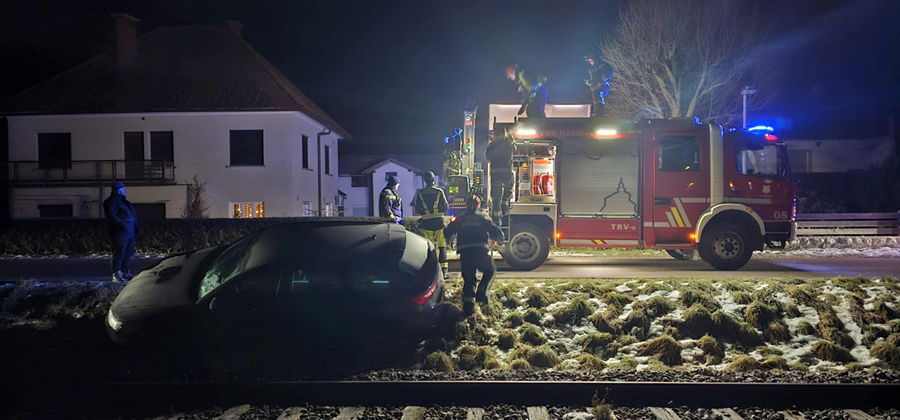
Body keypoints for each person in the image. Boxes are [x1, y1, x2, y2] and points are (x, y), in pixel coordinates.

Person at [443, 195, 504, 316]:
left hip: (465, 254)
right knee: (490, 270)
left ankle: (468, 309)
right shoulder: (483, 218)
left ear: (466, 205)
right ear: (478, 205)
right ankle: (482, 294)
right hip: (480, 252)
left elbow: (447, 231)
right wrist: (500, 241)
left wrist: (449, 240)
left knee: (469, 280)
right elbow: (496, 231)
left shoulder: (460, 219)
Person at [413, 171, 450, 278]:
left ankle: (431, 271)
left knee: (429, 247)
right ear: (434, 179)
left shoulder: (420, 193)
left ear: (425, 180)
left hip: (427, 223)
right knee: (442, 246)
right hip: (439, 221)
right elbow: (445, 207)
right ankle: (444, 271)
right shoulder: (439, 191)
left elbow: (417, 208)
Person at [103, 181, 137, 282]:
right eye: (123, 188)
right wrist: (122, 224)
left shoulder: (125, 202)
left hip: (130, 232)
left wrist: (135, 227)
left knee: (127, 252)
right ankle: (117, 273)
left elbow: (132, 216)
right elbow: (112, 215)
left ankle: (125, 272)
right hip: (120, 232)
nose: (125, 190)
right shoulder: (112, 201)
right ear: (118, 190)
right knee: (120, 252)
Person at [485, 127, 516, 226]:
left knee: (496, 197)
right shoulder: (508, 143)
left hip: (496, 174)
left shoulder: (492, 145)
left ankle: (496, 219)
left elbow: (488, 158)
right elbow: (515, 150)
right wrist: (512, 140)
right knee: (507, 192)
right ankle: (505, 209)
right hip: (507, 173)